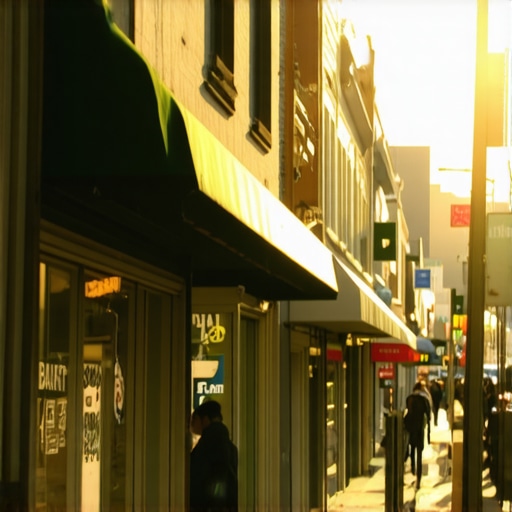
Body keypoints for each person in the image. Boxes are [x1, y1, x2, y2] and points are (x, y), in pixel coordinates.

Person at [190, 400, 238, 512]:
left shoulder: (206, 445)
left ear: (205, 420)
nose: (191, 424)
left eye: (194, 419)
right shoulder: (229, 446)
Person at [404, 382, 431, 489]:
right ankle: (418, 477)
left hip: (411, 428)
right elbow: (428, 416)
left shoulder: (409, 398)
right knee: (419, 452)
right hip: (420, 429)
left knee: (411, 448)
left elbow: (408, 412)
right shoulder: (424, 400)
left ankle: (412, 468)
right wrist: (428, 433)